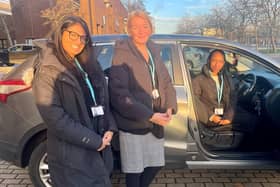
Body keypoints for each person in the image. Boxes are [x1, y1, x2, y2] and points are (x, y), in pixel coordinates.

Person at [32, 16, 117, 187]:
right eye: (73, 35)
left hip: (98, 150)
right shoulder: (48, 71)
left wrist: (110, 127)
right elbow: (56, 119)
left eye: (83, 37)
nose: (79, 41)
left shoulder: (88, 64)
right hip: (73, 159)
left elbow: (104, 101)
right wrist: (94, 141)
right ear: (60, 34)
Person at [109, 11, 177, 187]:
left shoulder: (154, 51)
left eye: (145, 26)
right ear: (129, 30)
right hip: (133, 124)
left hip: (155, 122)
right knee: (134, 171)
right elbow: (120, 95)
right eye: (135, 27)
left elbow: (167, 82)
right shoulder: (122, 54)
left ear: (151, 28)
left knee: (155, 165)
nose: (141, 30)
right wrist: (150, 115)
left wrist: (169, 107)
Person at [192, 49, 255, 132]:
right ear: (208, 60)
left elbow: (233, 97)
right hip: (209, 117)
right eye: (214, 60)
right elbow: (194, 100)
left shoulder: (226, 77)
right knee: (250, 122)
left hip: (226, 113)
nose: (217, 64)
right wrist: (211, 116)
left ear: (224, 63)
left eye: (220, 61)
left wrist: (228, 117)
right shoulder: (198, 80)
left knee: (252, 119)